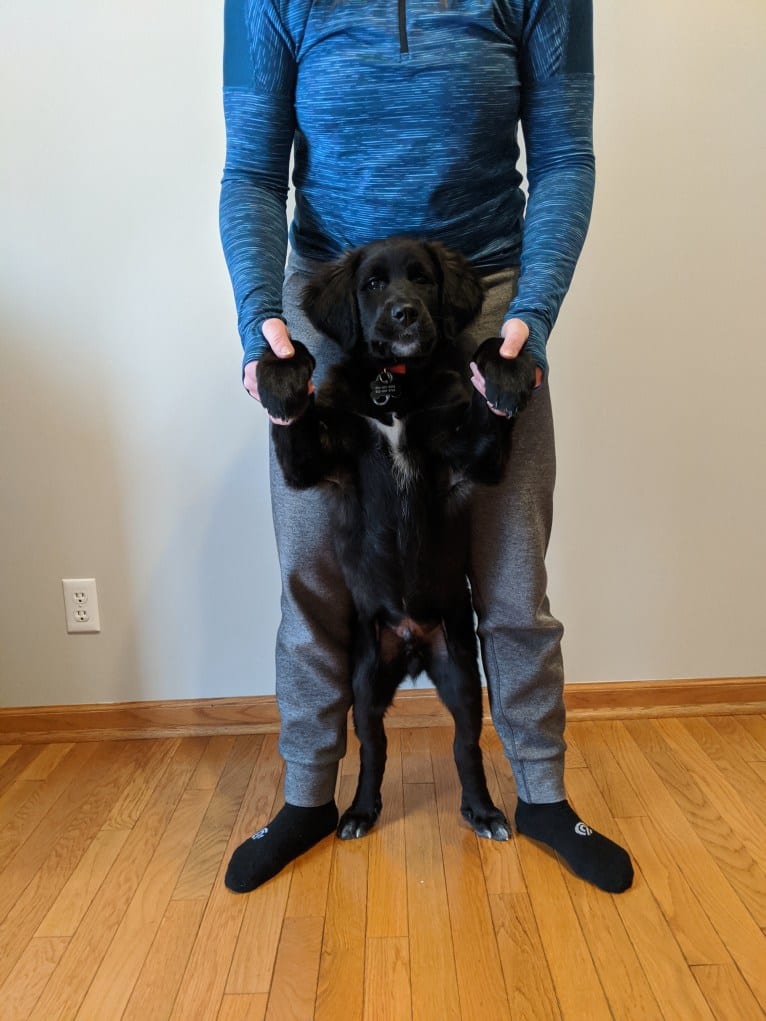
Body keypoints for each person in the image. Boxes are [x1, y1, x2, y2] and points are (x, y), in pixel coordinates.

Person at [220, 0, 633, 895]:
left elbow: (563, 154)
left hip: (483, 298)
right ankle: (306, 796)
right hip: (333, 304)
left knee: (513, 568)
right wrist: (263, 321)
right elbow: (253, 170)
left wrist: (532, 315)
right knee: (315, 576)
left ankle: (544, 795)